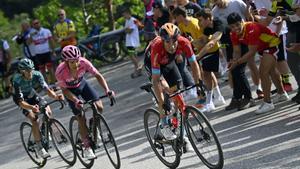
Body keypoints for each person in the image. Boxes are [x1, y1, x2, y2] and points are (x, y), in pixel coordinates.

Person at [55, 45, 115, 160]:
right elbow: (65, 91)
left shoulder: (84, 62)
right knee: (81, 117)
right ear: (66, 62)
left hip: (82, 85)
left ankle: (94, 126)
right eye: (72, 62)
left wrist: (107, 90)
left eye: (77, 60)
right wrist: (76, 100)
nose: (76, 64)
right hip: (70, 92)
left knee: (99, 107)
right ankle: (87, 147)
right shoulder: (60, 71)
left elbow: (98, 75)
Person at [227, 12, 289, 114]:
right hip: (262, 47)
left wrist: (237, 62)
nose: (236, 28)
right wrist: (234, 60)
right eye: (232, 26)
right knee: (272, 71)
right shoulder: (233, 34)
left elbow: (251, 52)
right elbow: (237, 51)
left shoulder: (251, 28)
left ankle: (268, 103)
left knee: (263, 72)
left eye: (238, 25)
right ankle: (282, 93)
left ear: (242, 21)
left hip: (272, 44)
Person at [150, 23, 202, 140]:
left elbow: (193, 64)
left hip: (168, 63)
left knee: (177, 92)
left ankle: (179, 129)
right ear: (163, 40)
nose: (172, 45)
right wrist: (161, 100)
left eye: (174, 41)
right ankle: (164, 124)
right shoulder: (157, 48)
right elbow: (156, 80)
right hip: (153, 63)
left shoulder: (184, 42)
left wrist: (198, 83)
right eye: (168, 42)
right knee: (163, 91)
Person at [11, 58, 63, 159]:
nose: (30, 72)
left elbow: (47, 89)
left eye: (31, 69)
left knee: (48, 111)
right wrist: (31, 108)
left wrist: (56, 96)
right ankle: (40, 148)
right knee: (34, 119)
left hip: (31, 94)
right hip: (21, 100)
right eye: (27, 70)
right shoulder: (17, 80)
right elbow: (21, 102)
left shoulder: (37, 74)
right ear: (22, 71)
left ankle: (44, 130)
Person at [212, 0, 256, 110]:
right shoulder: (215, 11)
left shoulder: (237, 3)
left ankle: (249, 97)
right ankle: (237, 98)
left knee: (240, 70)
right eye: (214, 1)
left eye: (218, 0)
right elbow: (219, 28)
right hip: (231, 40)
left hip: (245, 37)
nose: (217, 3)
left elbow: (248, 16)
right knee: (233, 69)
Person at [194, 9, 227, 111]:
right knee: (206, 72)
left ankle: (238, 98)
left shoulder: (218, 24)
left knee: (233, 74)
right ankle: (211, 101)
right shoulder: (207, 28)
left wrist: (199, 55)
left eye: (200, 20)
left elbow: (212, 43)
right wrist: (192, 43)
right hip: (225, 48)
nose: (199, 23)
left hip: (232, 47)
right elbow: (203, 41)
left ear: (208, 19)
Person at [27, 19, 57, 86]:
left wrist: (53, 51)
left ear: (40, 23)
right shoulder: (31, 33)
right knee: (42, 71)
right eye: (34, 24)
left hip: (47, 52)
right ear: (33, 25)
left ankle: (53, 84)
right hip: (38, 54)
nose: (36, 24)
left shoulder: (46, 31)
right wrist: (31, 36)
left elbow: (51, 41)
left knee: (50, 68)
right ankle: (47, 85)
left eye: (37, 23)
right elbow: (28, 43)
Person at [122, 8, 143, 78]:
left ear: (128, 13)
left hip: (132, 42)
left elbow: (129, 30)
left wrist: (127, 29)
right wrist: (127, 29)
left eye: (124, 14)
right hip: (129, 42)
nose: (123, 15)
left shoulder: (133, 20)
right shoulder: (127, 21)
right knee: (134, 56)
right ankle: (138, 70)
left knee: (132, 56)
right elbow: (126, 30)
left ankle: (138, 68)